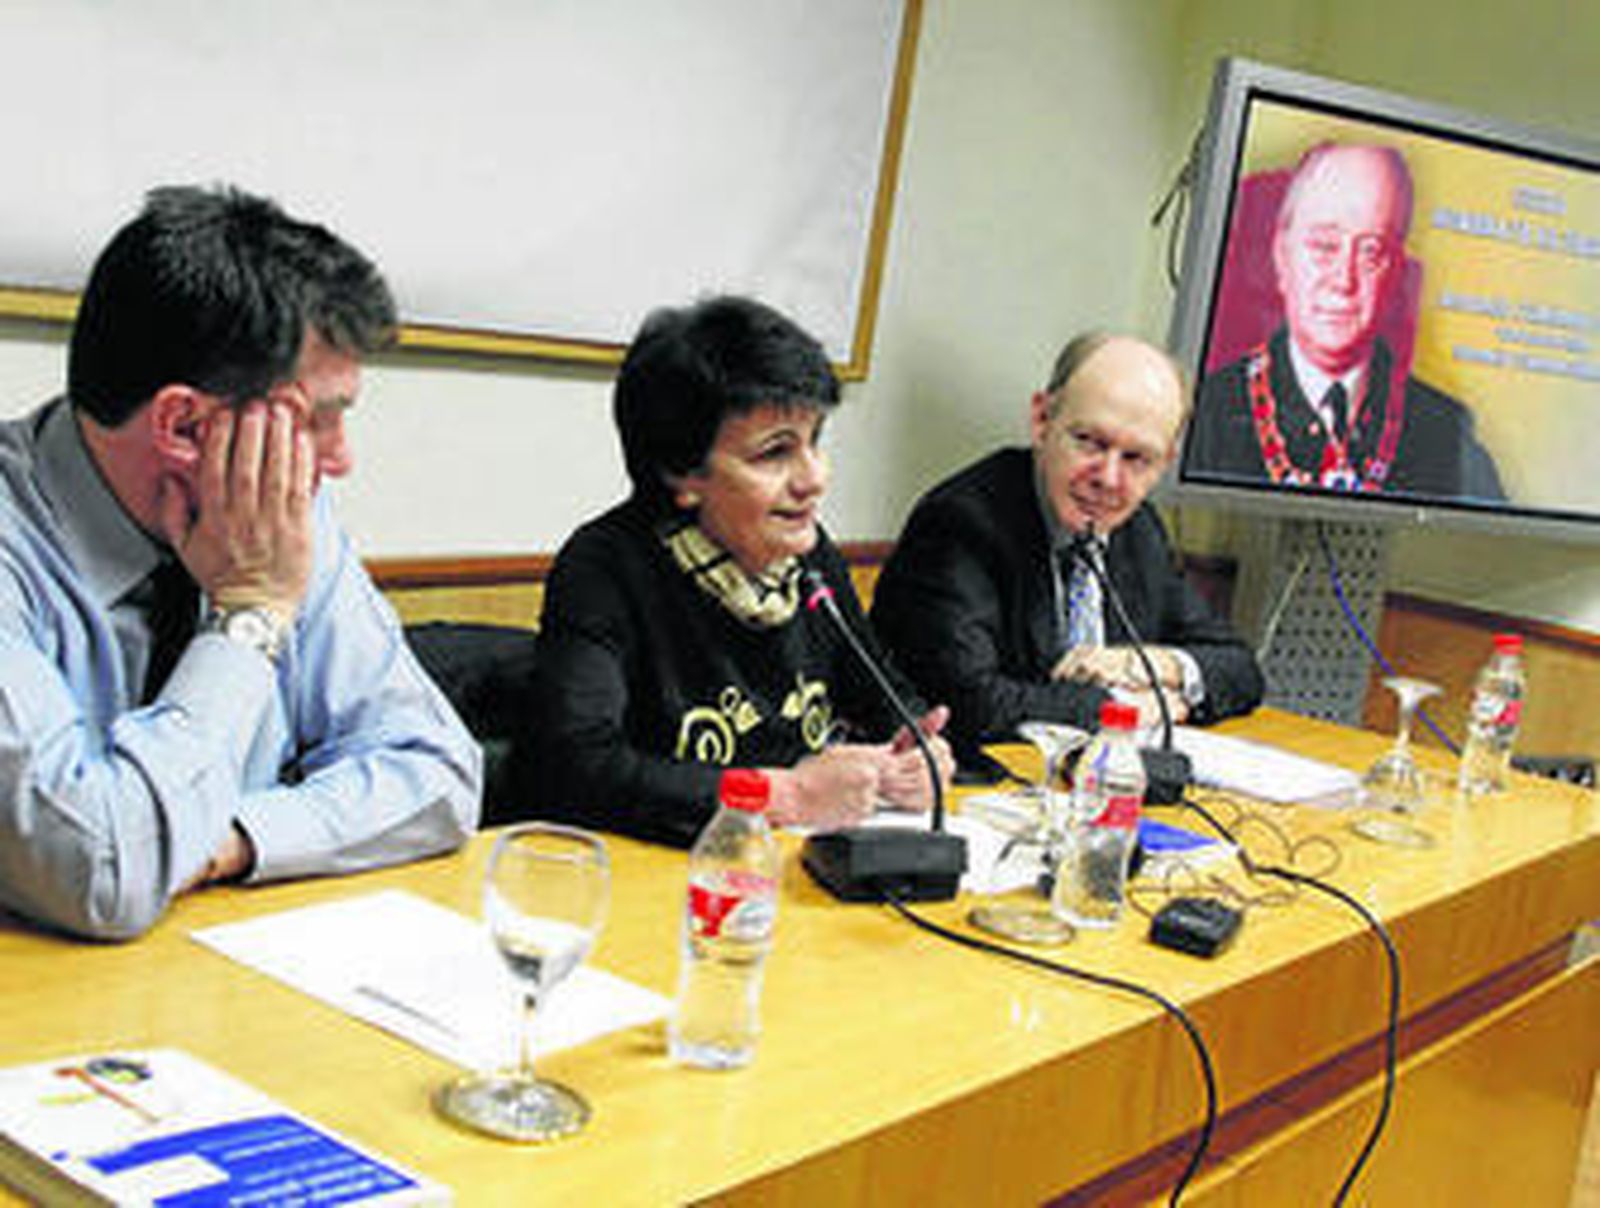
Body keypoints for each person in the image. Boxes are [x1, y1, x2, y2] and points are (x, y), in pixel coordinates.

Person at [0, 186, 481, 941]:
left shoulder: (281, 517)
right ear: (184, 424)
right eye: (318, 418)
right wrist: (249, 613)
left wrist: (227, 840)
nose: (341, 458)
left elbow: (441, 773)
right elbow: (101, 875)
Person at [521, 295, 953, 848]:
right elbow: (574, 768)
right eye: (775, 453)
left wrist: (914, 750)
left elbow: (884, 692)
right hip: (659, 878)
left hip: (789, 869)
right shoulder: (606, 567)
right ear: (682, 470)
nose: (813, 478)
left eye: (814, 442)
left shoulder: (808, 556)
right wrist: (784, 795)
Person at [871, 333, 1263, 762]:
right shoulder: (962, 523)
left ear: (1165, 463)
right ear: (1042, 420)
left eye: (1136, 459)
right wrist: (1130, 709)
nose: (1109, 479)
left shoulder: (1139, 530)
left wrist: (1146, 664)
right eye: (1090, 442)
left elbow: (1240, 668)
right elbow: (972, 706)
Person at [1184, 142, 1504, 500]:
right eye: (1324, 246)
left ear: (1396, 273)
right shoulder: (1207, 413)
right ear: (1282, 255)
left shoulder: (1446, 434)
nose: (1344, 281)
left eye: (1371, 251)